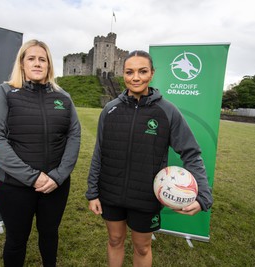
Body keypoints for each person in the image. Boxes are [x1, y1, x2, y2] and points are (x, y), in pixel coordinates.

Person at [86, 50, 213, 267]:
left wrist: (203, 195)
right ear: (123, 74)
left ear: (152, 74)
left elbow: (191, 152)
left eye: (142, 71)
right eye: (129, 72)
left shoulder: (167, 111)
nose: (136, 77)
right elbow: (100, 151)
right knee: (115, 239)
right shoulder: (110, 110)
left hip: (145, 197)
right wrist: (92, 192)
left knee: (142, 247)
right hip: (111, 191)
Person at [0, 39, 81, 267]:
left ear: (48, 64)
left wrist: (58, 176)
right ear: (22, 63)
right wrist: (32, 176)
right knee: (17, 240)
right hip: (14, 187)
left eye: (42, 59)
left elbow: (74, 136)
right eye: (31, 58)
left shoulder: (63, 97)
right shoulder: (5, 92)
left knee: (50, 235)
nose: (37, 63)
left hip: (55, 186)